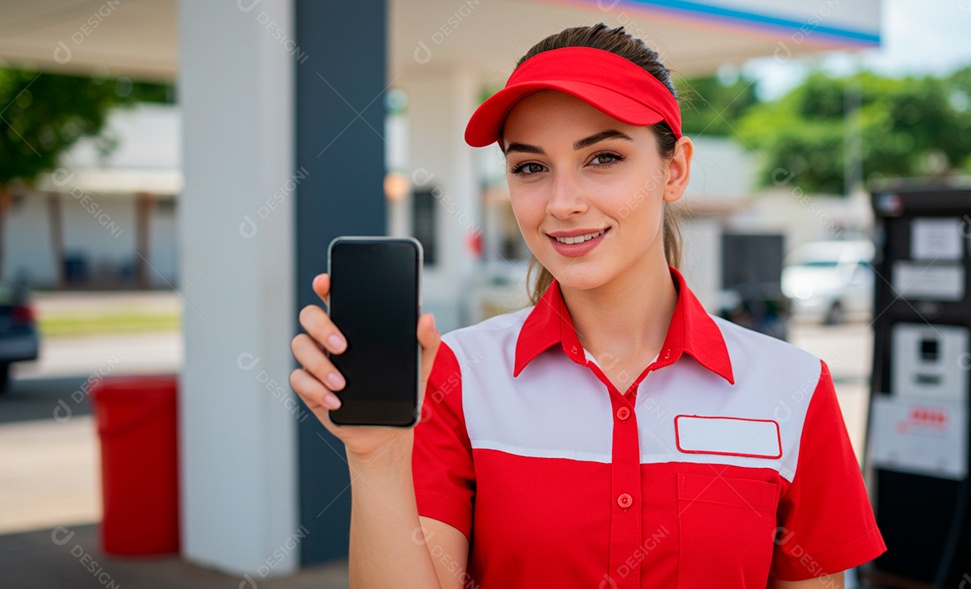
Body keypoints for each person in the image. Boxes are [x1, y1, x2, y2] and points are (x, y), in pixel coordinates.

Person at [290, 23, 886, 589]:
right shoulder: (457, 375)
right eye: (530, 167)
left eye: (602, 158)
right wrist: (377, 459)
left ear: (674, 169)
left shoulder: (793, 385)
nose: (562, 202)